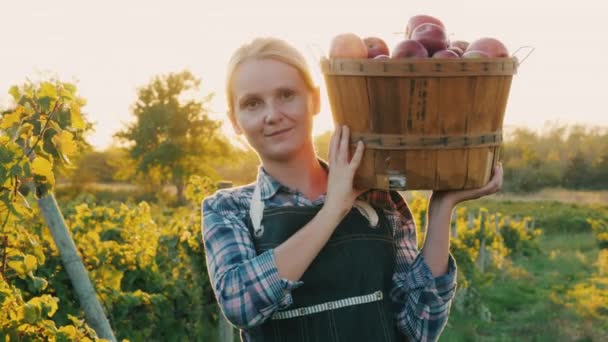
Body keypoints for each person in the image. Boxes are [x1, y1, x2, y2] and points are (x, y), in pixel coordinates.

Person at [202, 37, 503, 342]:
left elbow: (418, 329)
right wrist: (333, 209)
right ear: (235, 122)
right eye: (252, 103)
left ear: (316, 100)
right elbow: (241, 304)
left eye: (286, 95)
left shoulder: (380, 201)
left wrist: (440, 209)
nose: (272, 114)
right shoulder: (229, 209)